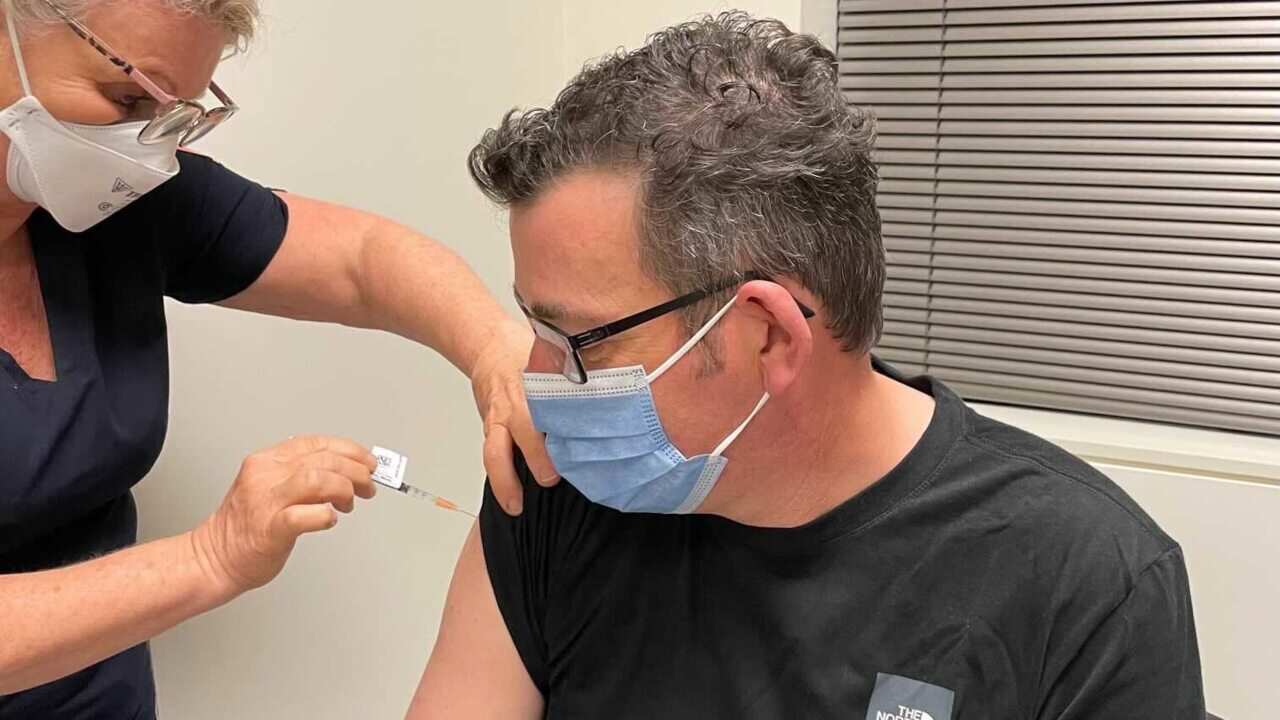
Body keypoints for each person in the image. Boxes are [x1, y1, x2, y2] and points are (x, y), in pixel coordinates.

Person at [409, 12, 1205, 719]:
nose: (537, 381)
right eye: (532, 324)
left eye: (580, 341)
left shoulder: (1085, 581)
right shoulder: (555, 491)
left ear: (771, 337)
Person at [0, 0, 555, 716]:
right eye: (127, 97)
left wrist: (496, 349)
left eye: (176, 113)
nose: (144, 146)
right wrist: (212, 557)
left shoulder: (115, 206)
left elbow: (362, 261)